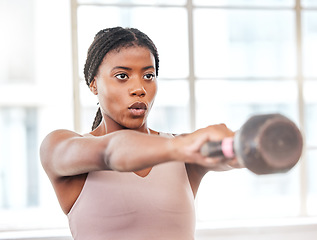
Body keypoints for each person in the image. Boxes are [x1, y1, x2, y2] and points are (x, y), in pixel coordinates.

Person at [40, 26, 242, 240]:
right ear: (93, 85)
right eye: (122, 75)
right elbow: (112, 151)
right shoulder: (59, 147)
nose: (139, 88)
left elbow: (237, 155)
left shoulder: (185, 153)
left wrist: (247, 145)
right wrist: (183, 147)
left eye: (148, 75)